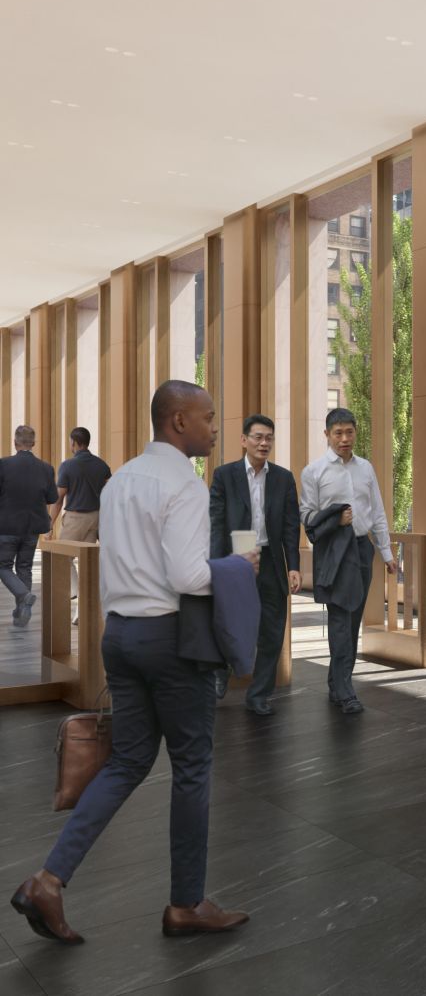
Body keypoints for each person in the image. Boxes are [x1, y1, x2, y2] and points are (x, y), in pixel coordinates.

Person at [9, 381, 257, 944]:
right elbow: (190, 578)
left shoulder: (121, 481)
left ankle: (48, 881)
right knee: (192, 767)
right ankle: (186, 904)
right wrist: (241, 564)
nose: (215, 429)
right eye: (208, 418)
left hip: (118, 636)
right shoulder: (184, 487)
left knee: (127, 762)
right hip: (170, 640)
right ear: (178, 423)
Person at [300, 407, 396, 715]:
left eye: (349, 432)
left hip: (362, 549)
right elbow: (307, 516)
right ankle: (345, 691)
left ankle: (336, 683)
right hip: (335, 551)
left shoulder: (365, 468)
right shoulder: (313, 472)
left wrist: (387, 554)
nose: (344, 438)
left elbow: (378, 513)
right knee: (341, 619)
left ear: (356, 433)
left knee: (352, 620)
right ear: (326, 435)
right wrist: (335, 519)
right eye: (338, 433)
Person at [209, 414, 301, 716]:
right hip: (237, 558)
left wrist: (293, 565)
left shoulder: (283, 478)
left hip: (272, 562)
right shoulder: (225, 475)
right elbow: (217, 524)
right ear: (244, 440)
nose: (264, 443)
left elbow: (290, 526)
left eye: (269, 438)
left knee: (273, 632)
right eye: (258, 437)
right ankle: (221, 670)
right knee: (228, 623)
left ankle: (259, 694)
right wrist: (219, 565)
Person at [0, 425, 58, 628]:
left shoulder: (3, 465)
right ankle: (21, 613)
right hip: (32, 527)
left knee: (3, 566)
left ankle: (24, 596)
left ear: (15, 443)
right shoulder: (46, 468)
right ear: (33, 444)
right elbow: (52, 497)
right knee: (24, 567)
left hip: (7, 526)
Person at [54, 427, 112, 544]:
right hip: (95, 518)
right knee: (87, 559)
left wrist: (50, 524)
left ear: (74, 443)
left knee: (63, 558)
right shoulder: (102, 465)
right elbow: (110, 493)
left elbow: (59, 498)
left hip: (75, 519)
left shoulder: (67, 466)